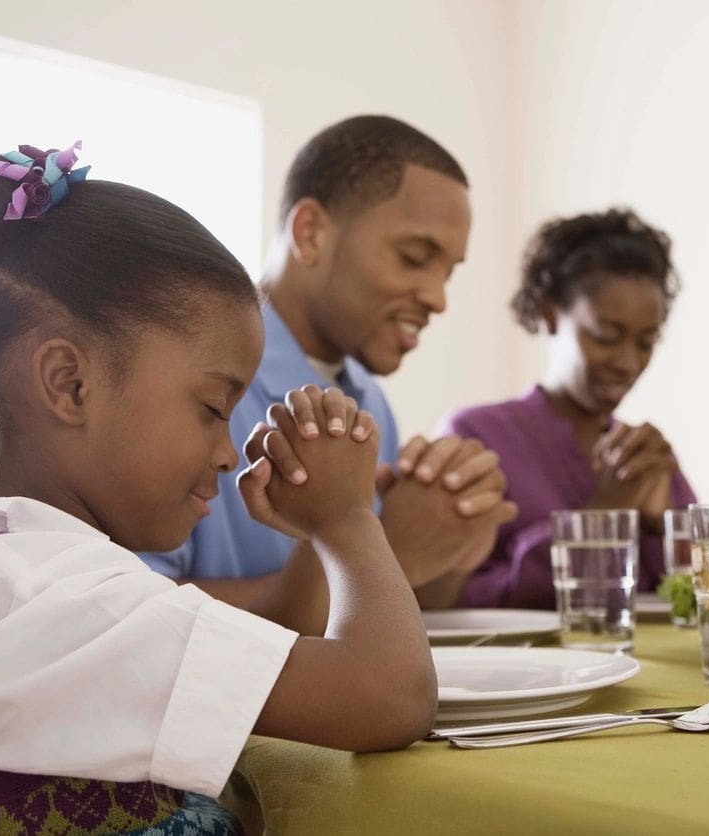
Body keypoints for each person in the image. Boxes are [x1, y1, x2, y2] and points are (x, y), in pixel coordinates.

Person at [0, 142, 435, 833]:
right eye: (213, 409)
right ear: (69, 384)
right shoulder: (66, 602)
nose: (227, 452)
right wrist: (345, 519)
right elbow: (389, 697)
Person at [140, 115, 516, 618]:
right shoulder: (186, 376)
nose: (437, 298)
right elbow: (129, 619)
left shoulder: (367, 397)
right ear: (311, 232)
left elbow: (390, 615)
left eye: (448, 271)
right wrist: (384, 555)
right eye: (413, 257)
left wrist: (452, 547)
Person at [438, 208, 696, 609]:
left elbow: (703, 593)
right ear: (549, 315)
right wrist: (605, 512)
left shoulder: (644, 454)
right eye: (607, 336)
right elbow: (456, 600)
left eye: (646, 342)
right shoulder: (476, 437)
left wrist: (663, 525)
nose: (628, 362)